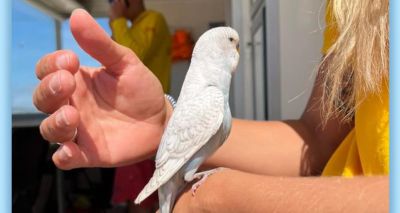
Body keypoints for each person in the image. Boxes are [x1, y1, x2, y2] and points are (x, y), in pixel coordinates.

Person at [33, 0, 388, 211]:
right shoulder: (348, 7)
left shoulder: (152, 21)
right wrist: (165, 121)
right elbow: (315, 141)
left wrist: (219, 197)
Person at [108, 0, 172, 212]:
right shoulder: (131, 28)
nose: (113, 5)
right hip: (131, 118)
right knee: (135, 190)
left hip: (148, 118)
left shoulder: (153, 19)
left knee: (143, 192)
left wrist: (117, 21)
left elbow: (134, 56)